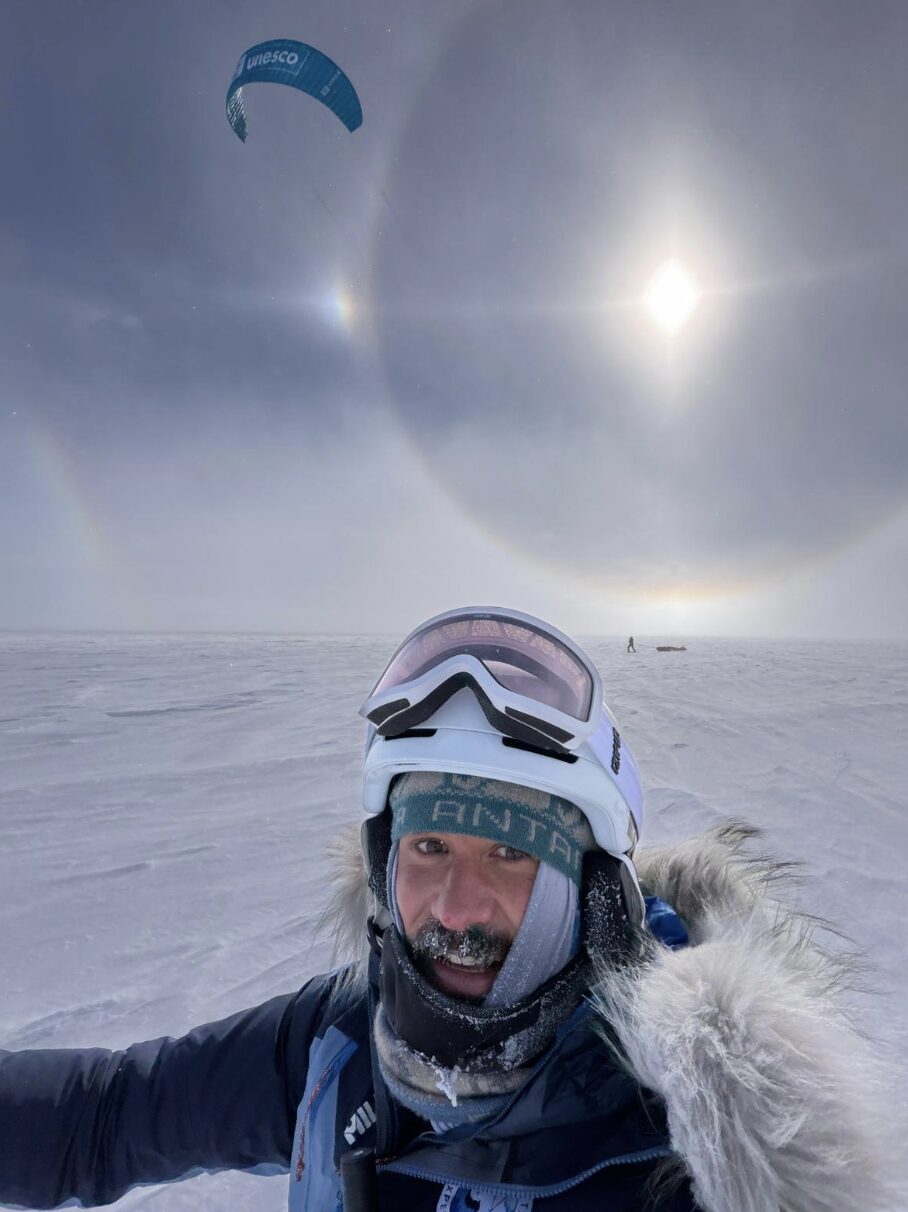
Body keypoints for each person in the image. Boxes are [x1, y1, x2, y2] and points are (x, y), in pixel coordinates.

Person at [0, 606, 901, 1211]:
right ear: (386, 860)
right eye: (429, 847)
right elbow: (110, 1114)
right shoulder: (339, 1045)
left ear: (592, 890)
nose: (454, 908)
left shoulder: (683, 1145)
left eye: (509, 852)